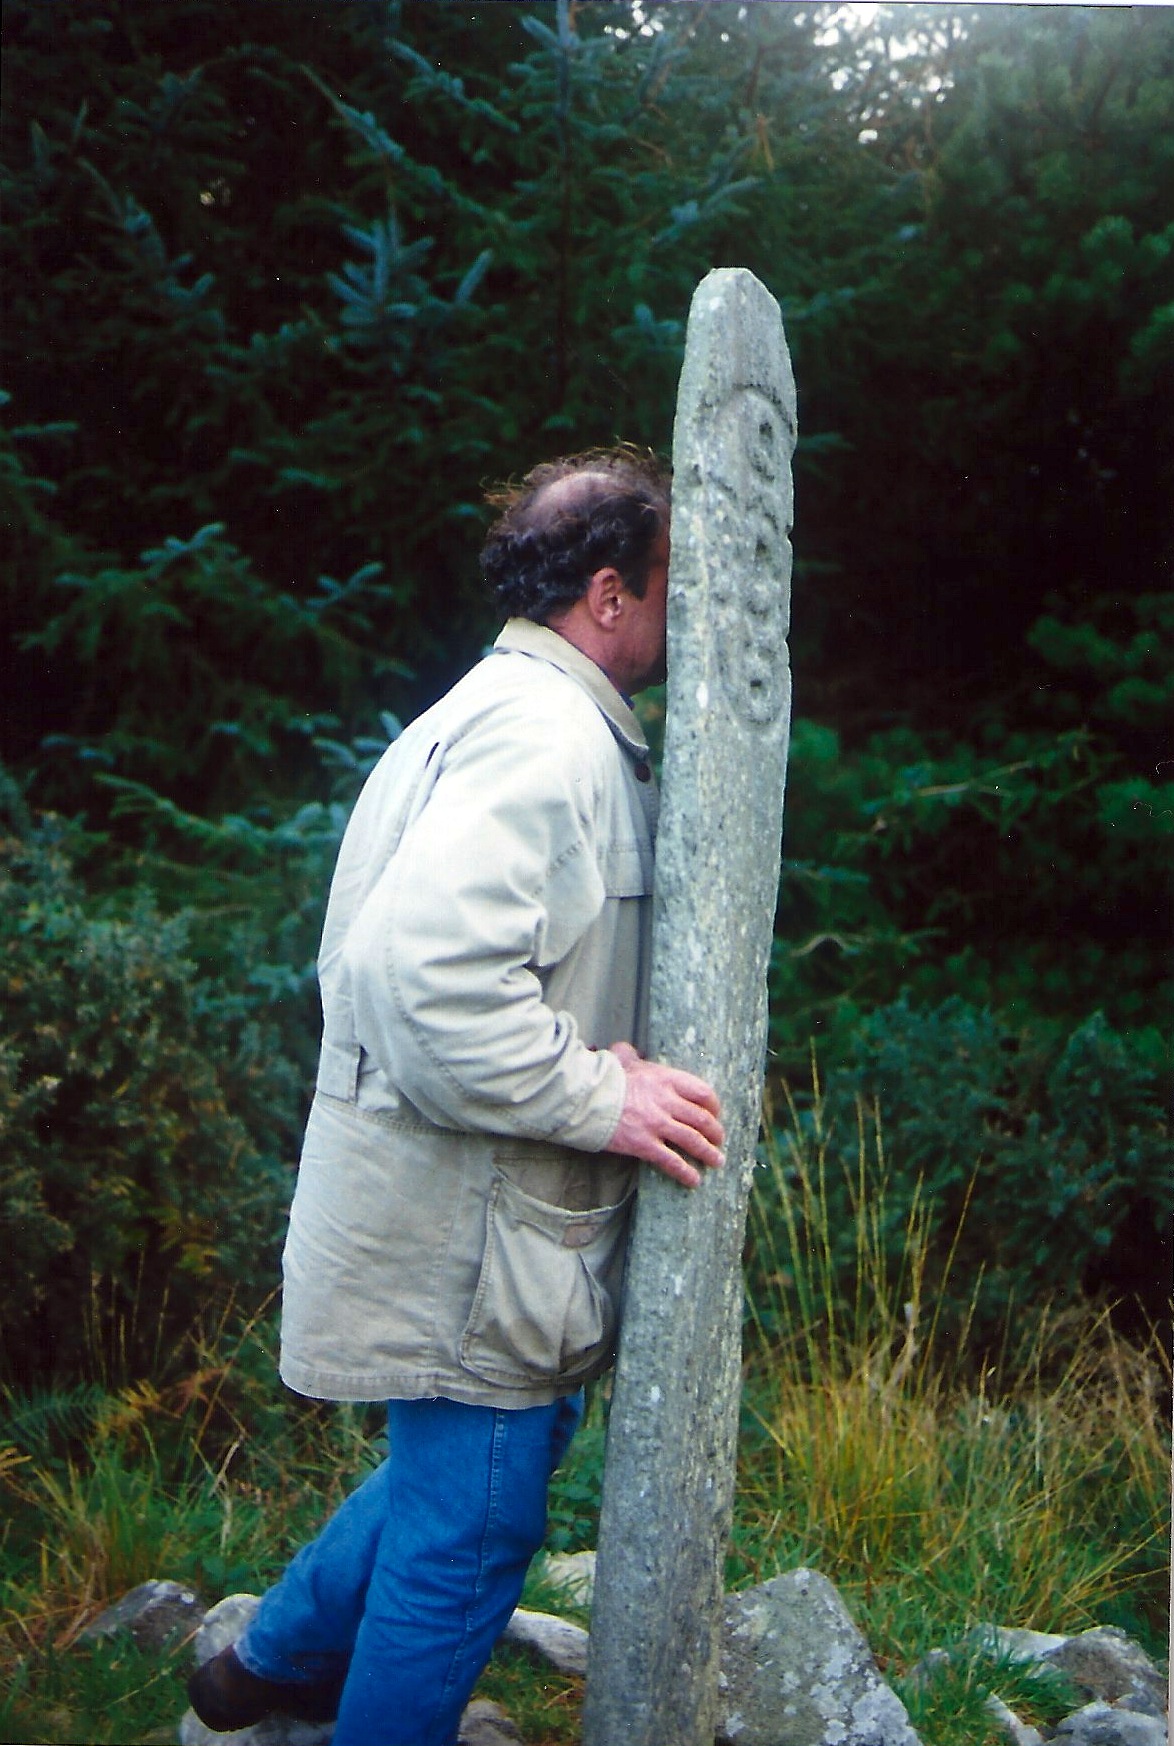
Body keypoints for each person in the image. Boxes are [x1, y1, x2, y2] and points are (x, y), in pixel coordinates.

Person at [188, 447, 724, 1746]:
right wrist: (598, 1095)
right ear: (608, 593)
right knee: (472, 1523)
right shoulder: (545, 741)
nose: (685, 617)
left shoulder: (502, 710)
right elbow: (423, 976)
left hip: (467, 1217)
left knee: (468, 1471)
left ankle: (262, 1669)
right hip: (471, 1231)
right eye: (670, 586)